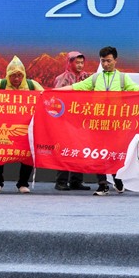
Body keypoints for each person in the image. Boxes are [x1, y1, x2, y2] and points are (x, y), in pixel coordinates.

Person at [58, 46, 139, 196]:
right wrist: (52, 91)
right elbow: (75, 87)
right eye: (103, 61)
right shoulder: (95, 78)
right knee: (98, 154)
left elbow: (138, 90)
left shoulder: (122, 78)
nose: (105, 64)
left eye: (108, 61)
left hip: (116, 124)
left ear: (115, 60)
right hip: (97, 123)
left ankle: (117, 177)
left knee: (114, 154)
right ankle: (102, 184)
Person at [0, 56, 44, 194]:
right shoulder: (0, 84)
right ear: (8, 75)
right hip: (2, 126)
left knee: (27, 154)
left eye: (19, 75)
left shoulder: (32, 85)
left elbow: (45, 96)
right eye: (13, 75)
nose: (16, 78)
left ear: (24, 75)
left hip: (25, 127)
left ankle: (23, 183)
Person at [52, 51, 92, 191]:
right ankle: (61, 181)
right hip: (66, 119)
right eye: (77, 62)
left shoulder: (87, 77)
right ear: (70, 63)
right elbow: (56, 99)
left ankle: (76, 181)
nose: (80, 65)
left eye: (82, 62)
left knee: (79, 149)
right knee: (65, 149)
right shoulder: (62, 78)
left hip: (81, 118)